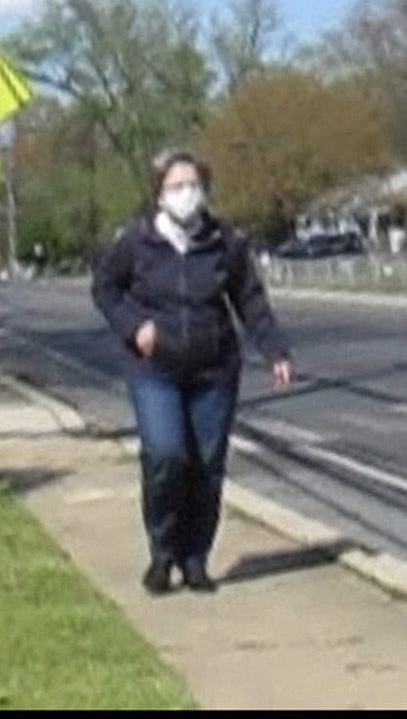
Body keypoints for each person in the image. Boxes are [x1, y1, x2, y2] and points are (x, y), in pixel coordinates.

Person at [92, 149, 294, 595]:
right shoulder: (136, 241)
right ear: (159, 194)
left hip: (214, 369)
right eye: (176, 186)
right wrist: (134, 325)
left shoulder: (225, 241)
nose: (187, 194)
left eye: (193, 185)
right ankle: (162, 554)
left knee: (206, 465)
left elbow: (250, 299)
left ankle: (196, 558)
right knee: (165, 455)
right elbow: (105, 288)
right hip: (154, 368)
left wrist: (275, 350)